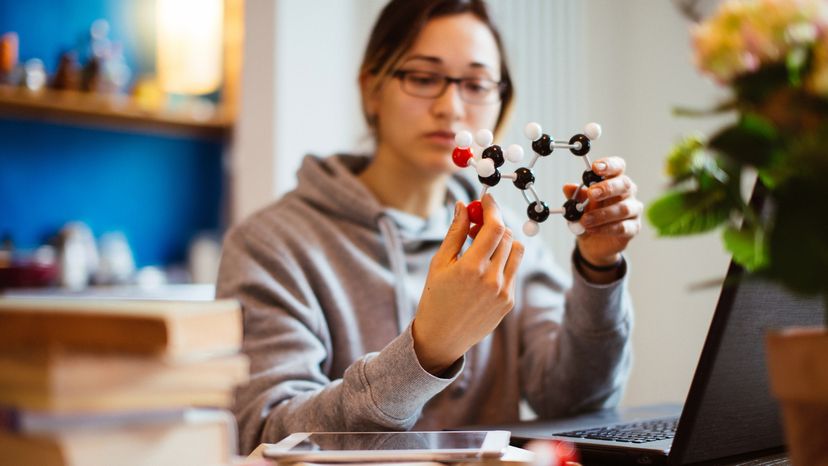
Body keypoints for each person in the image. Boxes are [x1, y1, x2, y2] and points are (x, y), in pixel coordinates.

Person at [217, 0, 642, 454]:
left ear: (502, 102)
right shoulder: (271, 245)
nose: (451, 107)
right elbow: (266, 433)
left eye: (476, 84)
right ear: (371, 89)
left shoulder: (504, 233)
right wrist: (427, 351)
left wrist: (599, 268)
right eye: (423, 78)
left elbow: (578, 399)